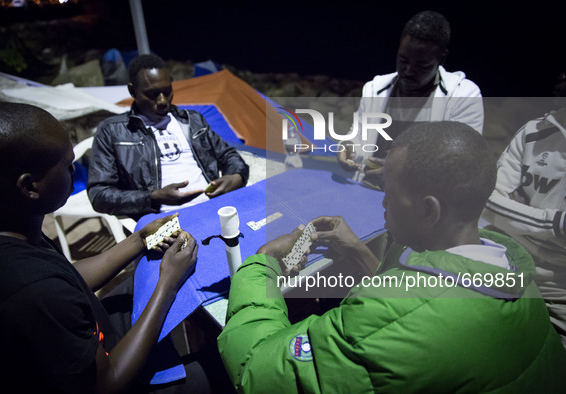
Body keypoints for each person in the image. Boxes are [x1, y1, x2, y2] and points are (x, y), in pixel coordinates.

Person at [217, 121, 566, 392]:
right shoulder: (517, 274)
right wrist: (356, 249)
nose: (382, 202)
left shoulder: (380, 325)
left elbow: (258, 369)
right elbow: (421, 301)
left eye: (389, 192)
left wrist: (264, 265)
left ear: (429, 211)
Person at [0, 102, 207, 393]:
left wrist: (138, 240)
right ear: (29, 187)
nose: (74, 170)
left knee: (139, 281)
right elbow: (105, 383)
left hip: (79, 331)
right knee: (205, 373)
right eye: (66, 164)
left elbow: (66, 278)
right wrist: (168, 283)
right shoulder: (32, 293)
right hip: (107, 372)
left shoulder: (9, 229)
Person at [87, 54, 249, 219]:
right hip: (162, 218)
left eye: (167, 91)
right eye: (152, 94)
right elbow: (99, 195)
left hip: (215, 206)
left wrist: (236, 176)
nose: (163, 100)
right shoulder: (112, 131)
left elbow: (228, 155)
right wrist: (152, 198)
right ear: (132, 91)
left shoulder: (192, 120)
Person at [337, 11, 483, 187]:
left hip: (418, 205)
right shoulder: (375, 89)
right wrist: (347, 145)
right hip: (367, 190)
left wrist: (403, 173)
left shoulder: (463, 97)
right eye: (403, 60)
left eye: (421, 65)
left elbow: (463, 164)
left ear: (441, 59)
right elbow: (358, 136)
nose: (408, 70)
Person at [481, 107, 566, 346]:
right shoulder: (534, 130)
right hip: (508, 263)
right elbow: (486, 200)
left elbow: (497, 206)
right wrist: (556, 224)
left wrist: (514, 218)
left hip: (560, 289)